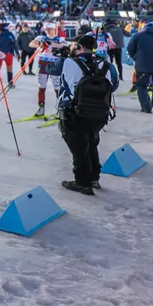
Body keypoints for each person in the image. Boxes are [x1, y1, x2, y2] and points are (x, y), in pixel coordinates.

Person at [57, 31, 119, 195]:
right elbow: (114, 85)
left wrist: (65, 55)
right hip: (99, 112)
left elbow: (52, 68)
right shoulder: (106, 64)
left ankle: (82, 182)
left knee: (79, 148)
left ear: (78, 47)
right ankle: (93, 178)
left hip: (73, 112)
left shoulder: (69, 62)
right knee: (91, 143)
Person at [126, 21, 153, 113]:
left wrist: (136, 58)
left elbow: (130, 49)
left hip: (142, 64)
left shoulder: (137, 36)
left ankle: (146, 107)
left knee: (141, 85)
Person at [31, 22, 68, 117]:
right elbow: (31, 44)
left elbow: (65, 45)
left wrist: (52, 44)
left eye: (50, 29)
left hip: (54, 63)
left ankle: (60, 108)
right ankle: (41, 107)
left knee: (57, 87)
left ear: (54, 29)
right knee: (41, 86)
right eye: (46, 29)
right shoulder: (41, 38)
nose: (48, 31)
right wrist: (40, 44)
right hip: (42, 63)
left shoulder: (60, 38)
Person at [0, 21, 17, 88]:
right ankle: (10, 83)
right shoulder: (9, 34)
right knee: (8, 68)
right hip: (5, 53)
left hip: (0, 53)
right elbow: (14, 44)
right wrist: (17, 53)